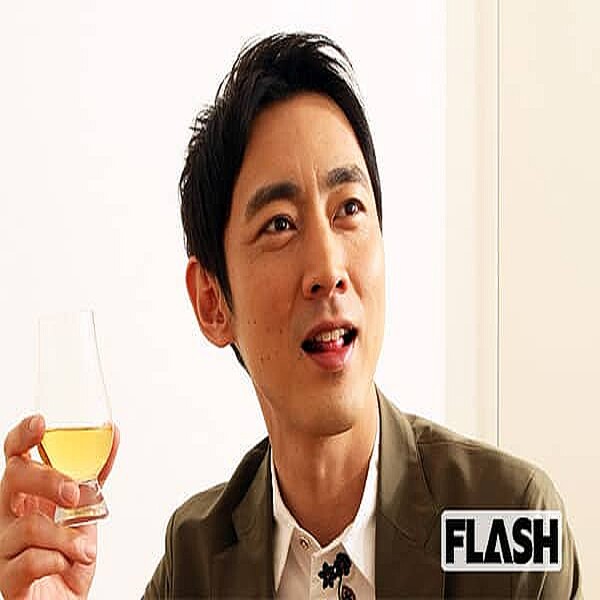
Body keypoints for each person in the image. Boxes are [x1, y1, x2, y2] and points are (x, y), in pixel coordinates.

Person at [0, 33, 581, 599]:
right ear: (212, 302)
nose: (328, 268)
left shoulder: (510, 523)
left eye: (349, 208)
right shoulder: (196, 562)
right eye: (279, 224)